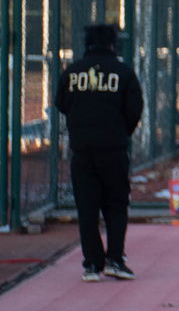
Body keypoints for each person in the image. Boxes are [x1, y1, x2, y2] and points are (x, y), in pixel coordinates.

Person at [54, 23, 143, 282]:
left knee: (87, 207)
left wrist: (80, 123)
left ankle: (92, 264)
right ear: (112, 44)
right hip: (114, 149)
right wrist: (121, 132)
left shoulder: (72, 73)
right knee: (116, 204)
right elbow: (135, 108)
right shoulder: (123, 73)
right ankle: (115, 259)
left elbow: (61, 103)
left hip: (82, 151)